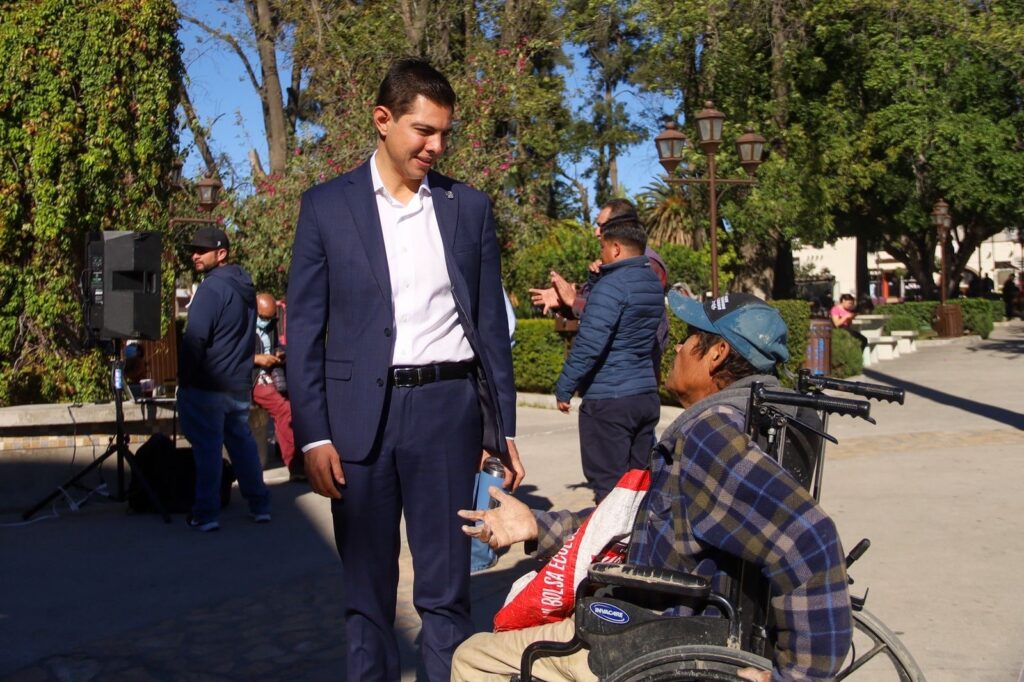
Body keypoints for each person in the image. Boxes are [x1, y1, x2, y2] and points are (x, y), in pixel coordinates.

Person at [452, 291, 852, 682]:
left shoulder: (711, 434)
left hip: (651, 637)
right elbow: (640, 520)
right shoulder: (750, 419)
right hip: (670, 624)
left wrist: (799, 676)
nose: (677, 347)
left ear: (717, 354)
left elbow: (809, 539)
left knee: (473, 658)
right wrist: (537, 526)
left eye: (690, 338)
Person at [286, 58, 524, 682]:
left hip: (447, 412)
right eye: (424, 130)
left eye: (444, 133)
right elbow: (304, 332)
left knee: (446, 589)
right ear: (383, 119)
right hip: (359, 419)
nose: (436, 146)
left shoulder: (467, 207)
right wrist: (314, 435)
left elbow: (489, 329)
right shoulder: (325, 207)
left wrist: (501, 429)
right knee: (367, 593)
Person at [552, 213, 663, 502]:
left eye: (602, 247)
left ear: (615, 248)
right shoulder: (651, 283)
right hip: (644, 396)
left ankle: (614, 534)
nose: (600, 254)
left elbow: (590, 343)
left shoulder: (612, 287)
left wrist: (565, 387)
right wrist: (596, 280)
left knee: (610, 493)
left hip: (609, 400)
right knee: (640, 486)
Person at [177, 226, 271, 532]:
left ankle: (206, 514)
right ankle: (260, 505)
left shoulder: (211, 288)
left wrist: (185, 379)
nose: (195, 255)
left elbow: (195, 339)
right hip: (238, 384)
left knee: (207, 450)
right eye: (193, 250)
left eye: (201, 251)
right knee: (242, 445)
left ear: (221, 253)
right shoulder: (246, 288)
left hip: (208, 385)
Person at [529, 199, 670, 378]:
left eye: (601, 226)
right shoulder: (614, 264)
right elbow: (595, 301)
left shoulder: (647, 265)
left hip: (627, 378)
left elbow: (615, 313)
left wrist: (573, 300)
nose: (597, 233)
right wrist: (563, 299)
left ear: (621, 226)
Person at [251, 292, 303, 481]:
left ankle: (294, 455)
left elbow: (275, 346)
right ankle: (294, 465)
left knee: (295, 405)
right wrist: (258, 359)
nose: (267, 322)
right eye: (264, 318)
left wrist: (278, 353)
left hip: (273, 375)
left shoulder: (271, 326)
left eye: (271, 318)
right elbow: (233, 354)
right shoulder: (243, 327)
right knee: (284, 410)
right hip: (254, 379)